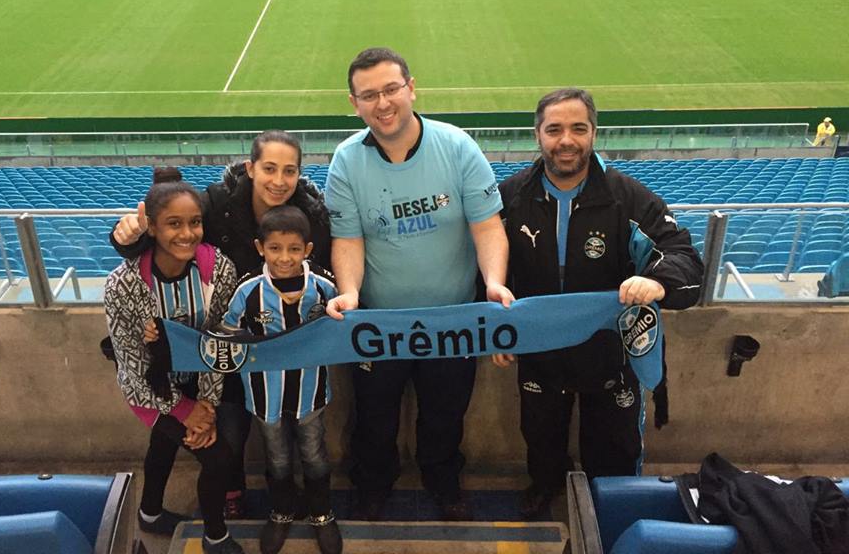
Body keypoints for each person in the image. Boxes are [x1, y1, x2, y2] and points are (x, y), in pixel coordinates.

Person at [324, 46, 514, 521]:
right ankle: (373, 483)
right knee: (373, 417)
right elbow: (348, 239)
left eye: (391, 89)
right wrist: (348, 291)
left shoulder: (457, 146)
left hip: (452, 320)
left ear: (412, 88)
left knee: (446, 415)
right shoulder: (346, 161)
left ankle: (443, 480)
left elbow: (488, 226)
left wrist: (493, 282)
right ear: (354, 103)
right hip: (379, 322)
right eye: (369, 95)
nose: (382, 103)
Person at [494, 88, 703, 516]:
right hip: (539, 353)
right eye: (554, 129)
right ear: (537, 135)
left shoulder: (627, 198)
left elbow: (684, 257)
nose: (566, 140)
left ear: (593, 133)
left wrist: (658, 282)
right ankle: (546, 485)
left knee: (614, 452)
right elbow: (482, 268)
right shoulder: (511, 197)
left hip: (612, 357)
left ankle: (612, 507)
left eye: (578, 128)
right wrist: (495, 327)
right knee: (541, 436)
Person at [111, 130, 330, 517]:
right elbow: (169, 236)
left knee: (298, 441)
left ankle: (307, 507)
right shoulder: (217, 204)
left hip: (275, 349)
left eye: (289, 170)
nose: (279, 180)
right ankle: (231, 496)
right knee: (229, 436)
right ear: (250, 168)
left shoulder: (311, 212)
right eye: (269, 168)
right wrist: (126, 240)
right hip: (219, 349)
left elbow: (326, 280)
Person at [104, 167, 244, 553]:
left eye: (195, 222)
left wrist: (207, 406)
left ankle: (149, 513)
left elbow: (219, 342)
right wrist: (183, 411)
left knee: (164, 445)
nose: (186, 234)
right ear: (151, 228)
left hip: (200, 386)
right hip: (151, 390)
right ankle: (216, 536)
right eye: (173, 224)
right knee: (219, 459)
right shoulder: (124, 284)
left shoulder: (219, 269)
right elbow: (131, 367)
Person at [221, 205, 341, 554]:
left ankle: (321, 512)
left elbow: (346, 327)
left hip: (311, 393)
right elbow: (228, 337)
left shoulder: (324, 286)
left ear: (307, 249)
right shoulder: (247, 290)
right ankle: (282, 511)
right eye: (275, 248)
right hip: (264, 396)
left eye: (293, 249)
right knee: (276, 457)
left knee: (314, 453)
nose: (284, 257)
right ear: (261, 248)